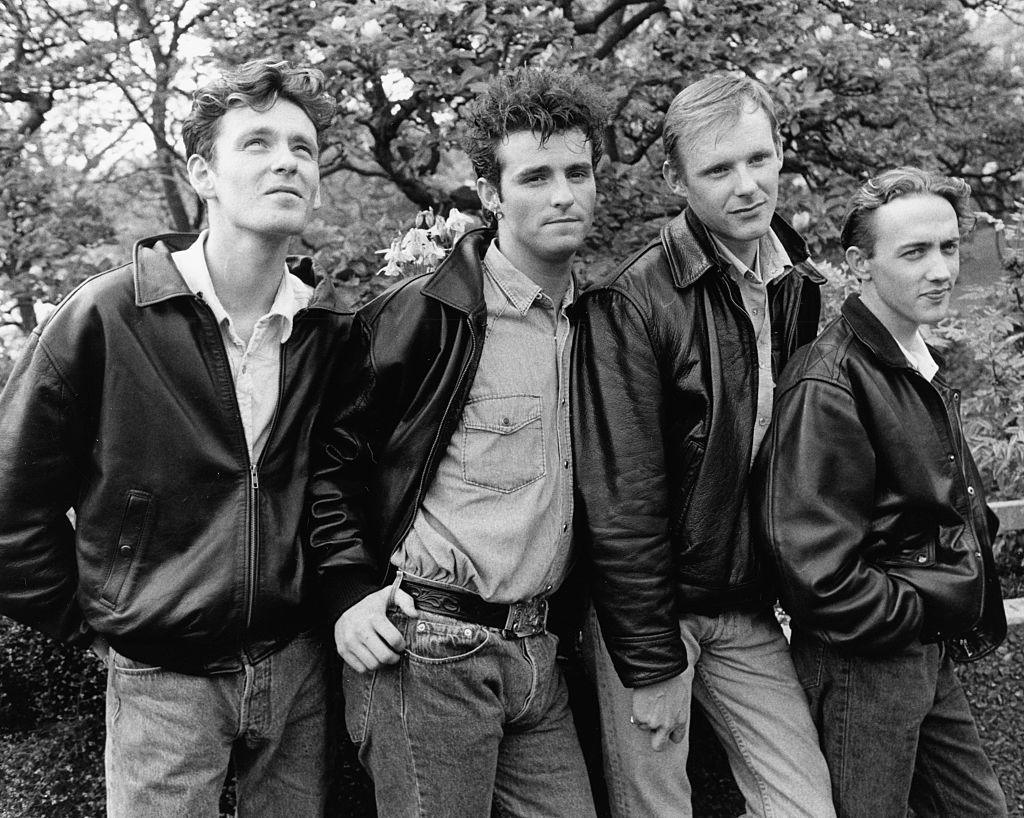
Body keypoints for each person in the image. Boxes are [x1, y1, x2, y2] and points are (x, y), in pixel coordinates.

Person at [0, 59, 346, 815]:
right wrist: (95, 622)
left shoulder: (332, 329)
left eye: (304, 146)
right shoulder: (105, 317)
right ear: (203, 172)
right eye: (257, 143)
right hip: (163, 682)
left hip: (299, 670)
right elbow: (9, 506)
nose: (288, 159)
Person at [305, 67, 604, 817]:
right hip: (430, 654)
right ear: (491, 193)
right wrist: (346, 596)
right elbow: (333, 465)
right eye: (535, 176)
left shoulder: (601, 323)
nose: (563, 193)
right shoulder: (421, 317)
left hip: (538, 657)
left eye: (578, 171)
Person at [573, 73, 835, 817]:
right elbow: (619, 496)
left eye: (758, 159)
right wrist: (652, 662)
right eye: (718, 169)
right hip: (649, 615)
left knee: (804, 804)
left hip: (744, 606)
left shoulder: (795, 285)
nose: (746, 186)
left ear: (781, 152)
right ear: (676, 179)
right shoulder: (633, 299)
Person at [754, 167, 1008, 817]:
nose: (941, 269)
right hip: (865, 664)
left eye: (949, 248)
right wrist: (923, 608)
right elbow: (814, 573)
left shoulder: (911, 360)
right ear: (860, 264)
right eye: (914, 252)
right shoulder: (830, 381)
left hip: (921, 650)